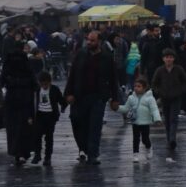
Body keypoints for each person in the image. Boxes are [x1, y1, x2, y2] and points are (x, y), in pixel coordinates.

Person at [65, 30, 120, 165]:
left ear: (99, 42)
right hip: (80, 96)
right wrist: (68, 93)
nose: (89, 42)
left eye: (92, 40)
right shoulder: (81, 54)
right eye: (88, 40)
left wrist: (115, 98)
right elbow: (72, 75)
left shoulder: (107, 57)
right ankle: (83, 148)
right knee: (78, 122)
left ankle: (93, 153)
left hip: (98, 97)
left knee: (95, 126)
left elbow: (113, 79)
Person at [2, 48, 39, 166]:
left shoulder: (8, 68)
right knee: (24, 128)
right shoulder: (27, 68)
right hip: (25, 102)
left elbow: (0, 82)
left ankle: (18, 153)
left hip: (13, 102)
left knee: (14, 129)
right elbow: (35, 86)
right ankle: (23, 152)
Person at [152, 48, 186, 154]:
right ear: (163, 59)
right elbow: (154, 83)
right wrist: (159, 92)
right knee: (167, 119)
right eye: (167, 57)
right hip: (164, 98)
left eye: (170, 57)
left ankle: (172, 139)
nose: (169, 59)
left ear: (173, 59)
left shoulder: (178, 69)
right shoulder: (160, 70)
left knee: (174, 118)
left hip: (176, 97)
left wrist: (180, 91)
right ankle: (169, 139)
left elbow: (185, 81)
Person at [116, 78, 161, 163]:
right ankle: (135, 154)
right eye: (135, 86)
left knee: (145, 139)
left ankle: (149, 147)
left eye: (139, 86)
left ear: (144, 88)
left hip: (145, 123)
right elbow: (126, 108)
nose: (136, 88)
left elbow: (154, 109)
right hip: (135, 122)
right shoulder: (131, 98)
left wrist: (157, 119)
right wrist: (117, 108)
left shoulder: (150, 98)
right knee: (135, 138)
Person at [32, 70, 66, 165]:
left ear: (50, 82)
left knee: (49, 137)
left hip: (51, 116)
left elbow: (61, 100)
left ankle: (47, 157)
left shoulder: (54, 89)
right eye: (42, 84)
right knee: (37, 135)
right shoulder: (37, 90)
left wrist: (64, 104)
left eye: (46, 83)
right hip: (39, 115)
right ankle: (37, 154)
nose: (44, 86)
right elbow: (32, 103)